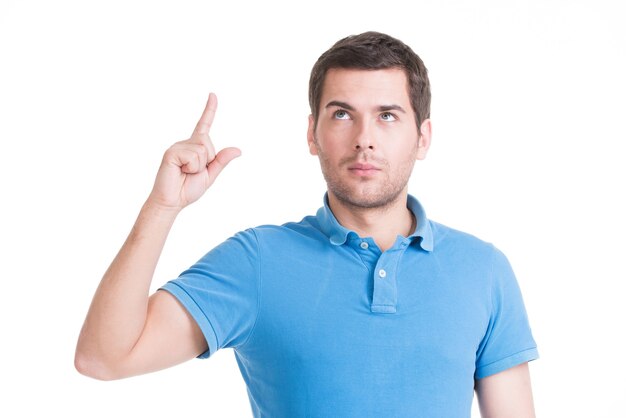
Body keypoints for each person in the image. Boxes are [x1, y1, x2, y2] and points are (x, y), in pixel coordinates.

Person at [75, 31, 538, 417]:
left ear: (422, 137)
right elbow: (104, 357)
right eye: (342, 114)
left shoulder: (484, 271)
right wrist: (162, 206)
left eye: (387, 116)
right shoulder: (257, 261)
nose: (364, 140)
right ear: (312, 133)